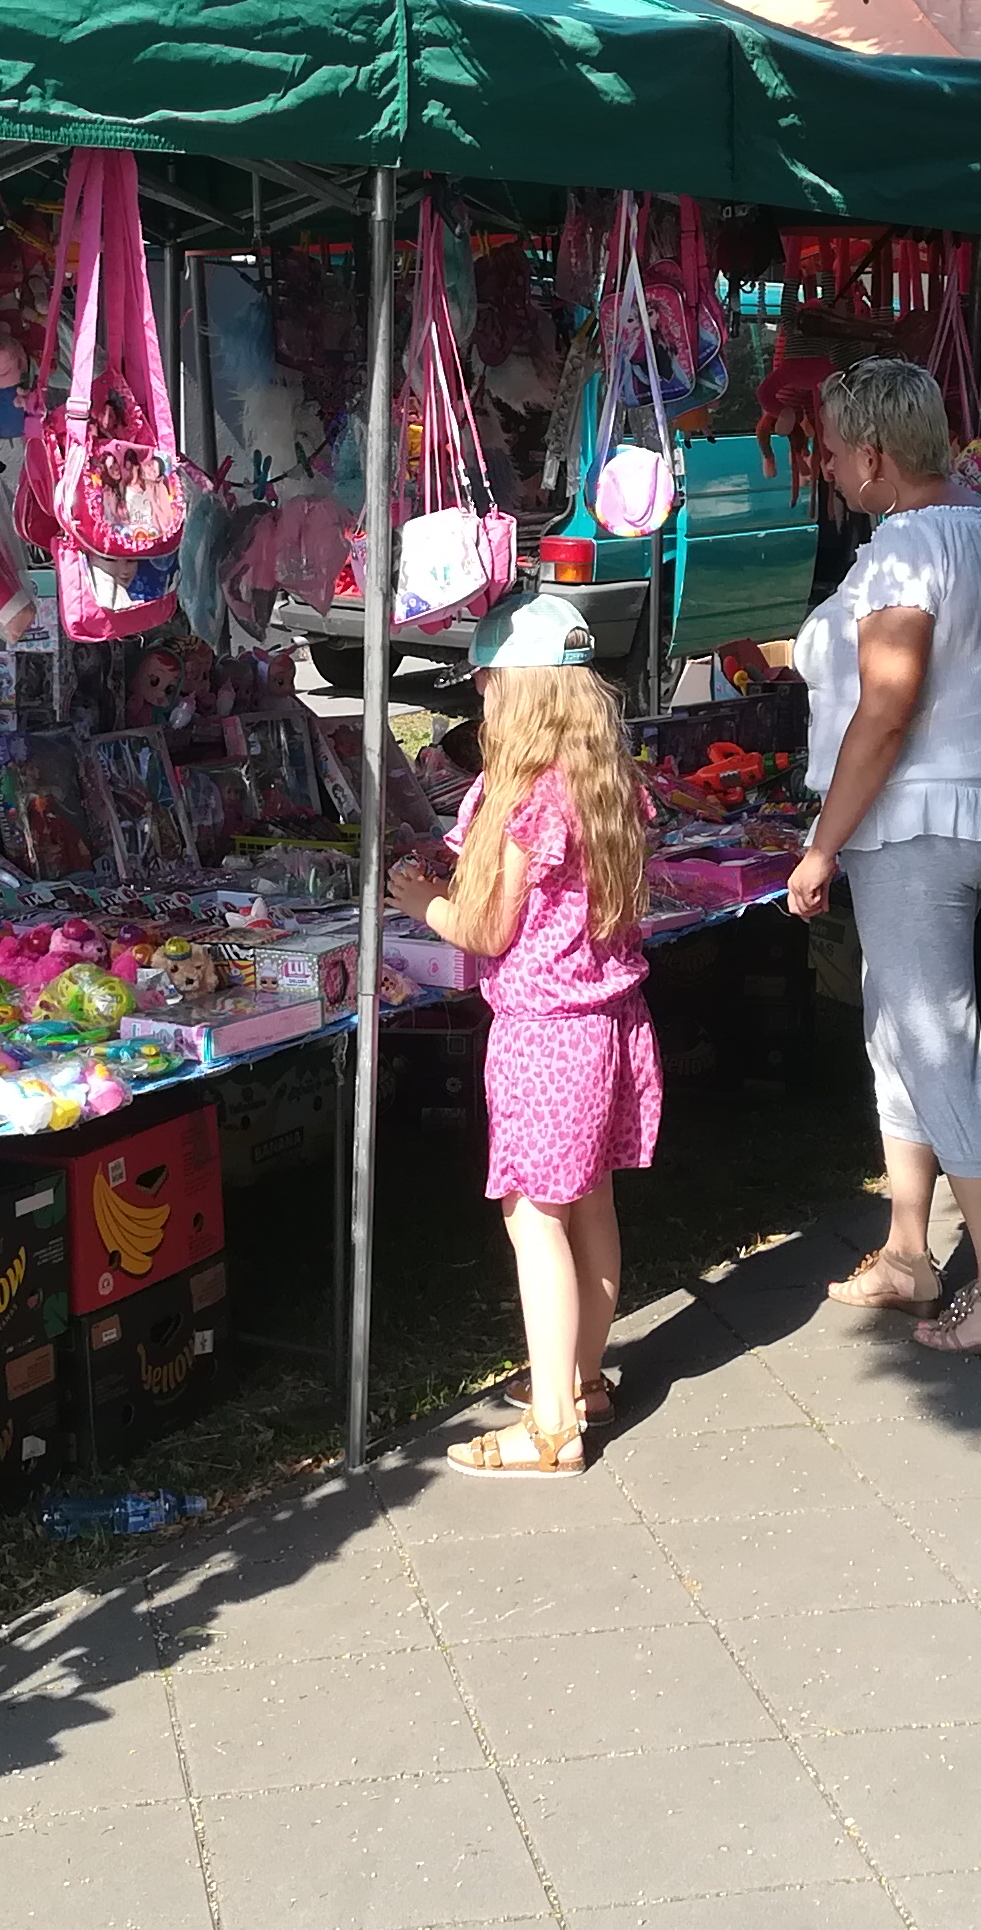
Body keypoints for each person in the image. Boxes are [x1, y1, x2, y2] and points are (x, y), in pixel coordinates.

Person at [785, 357, 981, 1359]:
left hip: (919, 825)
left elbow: (885, 711)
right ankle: (908, 1249)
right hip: (976, 809)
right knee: (900, 1029)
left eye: (827, 450)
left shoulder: (907, 547)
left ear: (871, 455)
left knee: (937, 1043)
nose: (822, 467)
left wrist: (821, 846)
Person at [384, 589, 656, 1478]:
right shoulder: (606, 783)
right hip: (610, 1023)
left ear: (522, 693)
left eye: (488, 683)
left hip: (544, 1038)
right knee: (593, 1207)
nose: (481, 698)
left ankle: (551, 1427)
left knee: (534, 1221)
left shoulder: (526, 799)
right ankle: (582, 1381)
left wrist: (422, 901)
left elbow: (484, 929)